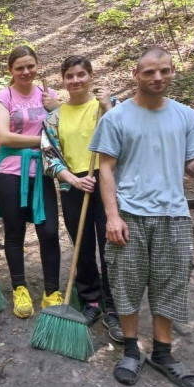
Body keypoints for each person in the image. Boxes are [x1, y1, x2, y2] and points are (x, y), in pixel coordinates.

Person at [90, 46, 194, 387]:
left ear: (171, 72)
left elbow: (193, 167)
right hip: (129, 214)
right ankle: (132, 350)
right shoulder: (116, 118)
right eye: (150, 72)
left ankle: (164, 352)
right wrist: (112, 216)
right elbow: (105, 170)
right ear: (136, 75)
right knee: (126, 282)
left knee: (171, 283)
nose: (158, 77)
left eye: (164, 71)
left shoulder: (186, 116)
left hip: (174, 215)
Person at [40, 55, 123, 342]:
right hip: (73, 185)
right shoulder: (54, 117)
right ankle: (92, 301)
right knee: (82, 246)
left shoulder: (106, 108)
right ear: (63, 80)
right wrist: (73, 178)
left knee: (110, 246)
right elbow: (49, 155)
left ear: (90, 76)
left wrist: (110, 108)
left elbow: (125, 138)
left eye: (80, 75)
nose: (75, 80)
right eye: (70, 76)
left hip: (106, 181)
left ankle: (114, 307)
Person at [0, 45, 61, 319]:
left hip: (43, 172)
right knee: (14, 233)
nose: (25, 71)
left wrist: (57, 110)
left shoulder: (48, 95)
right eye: (19, 67)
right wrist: (43, 141)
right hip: (10, 173)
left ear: (36, 66)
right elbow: (3, 136)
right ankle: (19, 287)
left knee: (49, 233)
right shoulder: (3, 97)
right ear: (11, 70)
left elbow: (62, 129)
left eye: (30, 65)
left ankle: (52, 292)